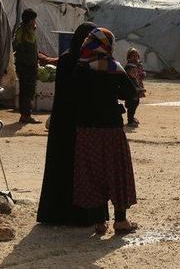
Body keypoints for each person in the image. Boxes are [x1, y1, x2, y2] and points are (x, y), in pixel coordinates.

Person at [37, 22, 110, 227]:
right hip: (78, 123)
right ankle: (81, 215)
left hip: (67, 122)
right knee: (80, 168)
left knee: (69, 167)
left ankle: (63, 214)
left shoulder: (71, 59)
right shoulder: (80, 61)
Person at [73, 28, 138, 235]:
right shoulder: (113, 67)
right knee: (116, 171)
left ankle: (99, 222)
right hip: (111, 129)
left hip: (87, 129)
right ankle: (121, 220)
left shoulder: (81, 68)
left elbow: (74, 94)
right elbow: (131, 93)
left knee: (93, 172)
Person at [12, 8, 41, 124]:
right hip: (27, 66)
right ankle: (26, 115)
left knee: (25, 90)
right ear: (30, 20)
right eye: (33, 19)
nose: (35, 22)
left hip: (25, 65)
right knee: (28, 90)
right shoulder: (25, 32)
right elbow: (26, 49)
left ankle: (24, 114)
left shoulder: (24, 30)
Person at [124, 48, 146, 128]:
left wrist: (143, 74)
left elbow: (141, 72)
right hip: (131, 87)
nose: (135, 57)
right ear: (129, 57)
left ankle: (132, 117)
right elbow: (128, 76)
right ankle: (130, 120)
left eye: (136, 55)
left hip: (138, 85)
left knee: (136, 102)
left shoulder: (139, 64)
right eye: (133, 56)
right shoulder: (129, 66)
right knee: (131, 103)